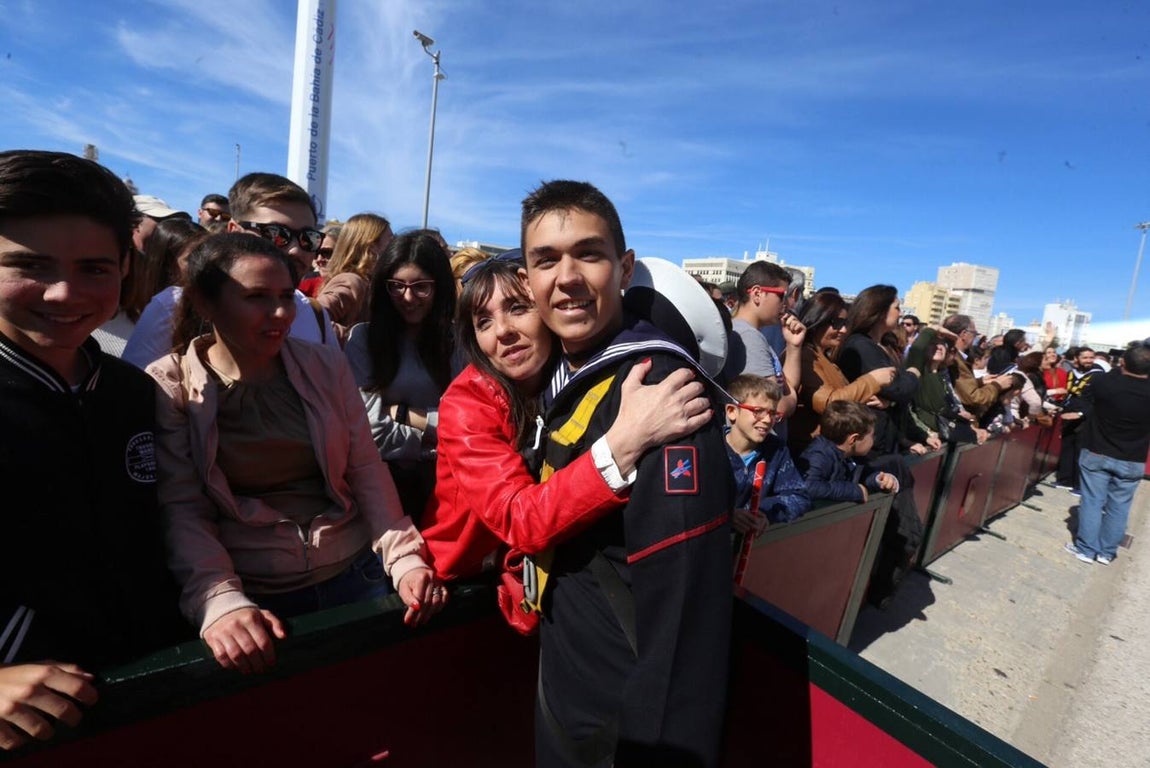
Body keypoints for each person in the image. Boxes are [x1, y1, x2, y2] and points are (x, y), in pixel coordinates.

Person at [148, 233, 443, 676]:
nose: (282, 312)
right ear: (206, 305)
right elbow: (183, 505)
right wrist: (218, 599)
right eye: (256, 297)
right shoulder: (170, 385)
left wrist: (403, 559)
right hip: (254, 600)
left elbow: (365, 467)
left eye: (287, 295)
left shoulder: (324, 364)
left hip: (355, 572)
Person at [519, 180, 733, 767]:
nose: (566, 277)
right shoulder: (563, 372)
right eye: (546, 260)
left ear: (624, 267)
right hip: (569, 675)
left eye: (588, 253)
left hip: (622, 716)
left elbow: (686, 609)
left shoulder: (661, 391)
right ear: (528, 280)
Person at [0, 150, 188, 751]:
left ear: (127, 268)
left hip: (159, 693)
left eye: (94, 269)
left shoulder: (134, 391)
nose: (63, 293)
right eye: (29, 265)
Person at [420, 258, 711, 600]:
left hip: (539, 578)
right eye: (483, 321)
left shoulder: (571, 376)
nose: (502, 330)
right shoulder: (467, 403)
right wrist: (624, 444)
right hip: (461, 585)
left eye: (517, 308)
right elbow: (519, 518)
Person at [122, 174, 339, 369]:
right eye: (276, 233)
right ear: (235, 231)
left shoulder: (314, 315)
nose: (295, 249)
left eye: (308, 238)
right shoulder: (174, 306)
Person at [345, 230, 456, 522]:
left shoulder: (458, 341)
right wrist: (435, 443)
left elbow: (469, 425)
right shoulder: (363, 340)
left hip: (447, 493)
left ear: (440, 287)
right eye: (396, 286)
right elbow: (370, 432)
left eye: (421, 287)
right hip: (382, 491)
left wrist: (402, 413)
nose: (408, 297)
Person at [1064, 345, 1150, 563]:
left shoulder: (1104, 382)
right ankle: (1107, 551)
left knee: (1092, 501)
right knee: (1120, 506)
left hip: (1097, 451)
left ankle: (1086, 548)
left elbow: (1087, 395)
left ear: (1122, 363)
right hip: (1133, 457)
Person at [787, 290, 892, 456]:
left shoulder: (823, 356)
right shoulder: (804, 355)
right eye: (836, 323)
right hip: (809, 454)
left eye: (845, 324)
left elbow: (842, 395)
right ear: (817, 320)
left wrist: (875, 400)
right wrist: (873, 380)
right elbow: (829, 403)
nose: (843, 330)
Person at [720, 260, 805, 437]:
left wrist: (793, 346)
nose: (785, 304)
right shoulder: (749, 337)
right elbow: (776, 406)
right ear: (757, 294)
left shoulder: (750, 333)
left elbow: (787, 387)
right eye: (781, 295)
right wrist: (792, 400)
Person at [724, 375, 810, 536]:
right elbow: (688, 503)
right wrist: (726, 515)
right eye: (758, 412)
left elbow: (799, 496)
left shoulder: (776, 450)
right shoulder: (711, 449)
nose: (767, 420)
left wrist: (764, 513)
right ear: (732, 411)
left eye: (772, 413)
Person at [797, 400, 899, 503]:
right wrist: (854, 491)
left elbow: (861, 474)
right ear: (854, 439)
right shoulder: (819, 456)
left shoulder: (851, 454)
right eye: (872, 436)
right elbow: (808, 487)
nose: (875, 439)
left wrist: (879, 480)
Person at [316, 213, 392, 327]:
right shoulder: (351, 281)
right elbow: (313, 318)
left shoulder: (369, 283)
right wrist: (354, 338)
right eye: (390, 242)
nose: (395, 248)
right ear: (371, 247)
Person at [1054, 346, 1099, 493]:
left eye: (1091, 357)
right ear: (1076, 359)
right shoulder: (1071, 373)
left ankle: (1079, 485)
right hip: (1068, 415)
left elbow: (1098, 401)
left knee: (1081, 451)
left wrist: (1081, 414)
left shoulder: (1099, 376)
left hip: (1085, 418)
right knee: (1067, 447)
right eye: (1085, 357)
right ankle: (1064, 479)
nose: (1088, 361)